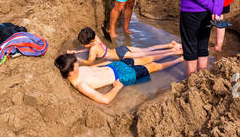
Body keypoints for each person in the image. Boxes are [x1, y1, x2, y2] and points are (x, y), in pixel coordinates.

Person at [54, 53, 183, 104]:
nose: (77, 64)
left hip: (114, 66)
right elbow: (105, 100)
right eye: (75, 64)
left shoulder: (76, 71)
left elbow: (93, 68)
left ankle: (173, 52)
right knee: (154, 67)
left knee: (146, 58)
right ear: (70, 73)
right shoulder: (81, 85)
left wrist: (107, 62)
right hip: (121, 76)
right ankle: (179, 60)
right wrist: (118, 87)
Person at [67, 26, 182, 65]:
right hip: (121, 49)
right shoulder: (96, 38)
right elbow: (86, 48)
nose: (83, 46)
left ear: (90, 42)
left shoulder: (93, 49)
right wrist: (76, 52)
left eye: (83, 44)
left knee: (149, 55)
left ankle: (173, 52)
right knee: (147, 49)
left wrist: (79, 60)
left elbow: (90, 62)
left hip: (122, 54)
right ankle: (170, 44)